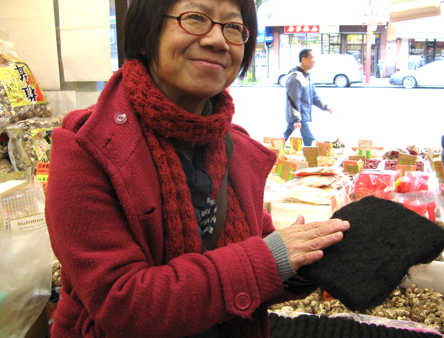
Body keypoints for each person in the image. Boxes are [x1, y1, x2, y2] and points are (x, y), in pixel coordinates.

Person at [45, 1, 350, 337]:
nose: (218, 40)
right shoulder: (87, 147)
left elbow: (255, 252)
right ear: (146, 36)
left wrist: (307, 264)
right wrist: (271, 257)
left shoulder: (232, 145)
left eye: (233, 27)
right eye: (195, 18)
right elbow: (123, 303)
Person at [283, 48, 333, 147]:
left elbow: (313, 96)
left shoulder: (307, 76)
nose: (314, 61)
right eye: (312, 58)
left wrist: (325, 107)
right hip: (298, 117)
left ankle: (272, 152)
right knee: (311, 143)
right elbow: (294, 100)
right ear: (303, 60)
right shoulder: (296, 78)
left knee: (284, 139)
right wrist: (297, 119)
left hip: (300, 116)